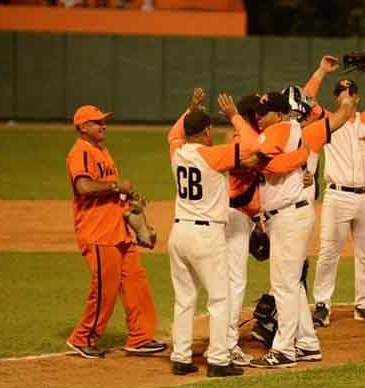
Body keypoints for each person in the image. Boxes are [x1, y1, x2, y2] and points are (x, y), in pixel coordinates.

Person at [249, 90, 358, 368]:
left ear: (281, 113)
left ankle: (284, 350)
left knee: (283, 285)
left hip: (289, 217)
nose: (260, 118)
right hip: (288, 215)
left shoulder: (288, 131)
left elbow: (262, 166)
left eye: (265, 113)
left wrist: (347, 99)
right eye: (258, 114)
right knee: (293, 284)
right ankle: (307, 343)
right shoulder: (298, 133)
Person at [168, 95, 263, 377]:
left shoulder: (177, 151)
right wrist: (234, 115)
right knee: (220, 299)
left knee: (185, 299)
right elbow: (251, 145)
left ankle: (181, 357)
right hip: (205, 235)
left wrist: (190, 109)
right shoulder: (213, 155)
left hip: (179, 232)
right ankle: (219, 360)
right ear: (208, 131)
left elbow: (172, 134)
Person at [306, 54, 365, 327]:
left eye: (350, 92)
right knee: (328, 252)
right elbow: (305, 100)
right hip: (337, 196)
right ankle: (322, 304)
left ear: (357, 98)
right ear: (336, 98)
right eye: (341, 92)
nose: (345, 95)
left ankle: (364, 304)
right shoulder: (326, 120)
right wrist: (322, 70)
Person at [65, 105, 166, 359]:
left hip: (118, 231)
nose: (103, 126)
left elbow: (113, 191)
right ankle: (83, 338)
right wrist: (114, 185)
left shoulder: (102, 151)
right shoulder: (80, 153)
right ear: (82, 127)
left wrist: (129, 199)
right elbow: (84, 187)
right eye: (97, 122)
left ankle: (140, 338)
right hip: (98, 233)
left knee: (136, 284)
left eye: (103, 121)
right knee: (104, 290)